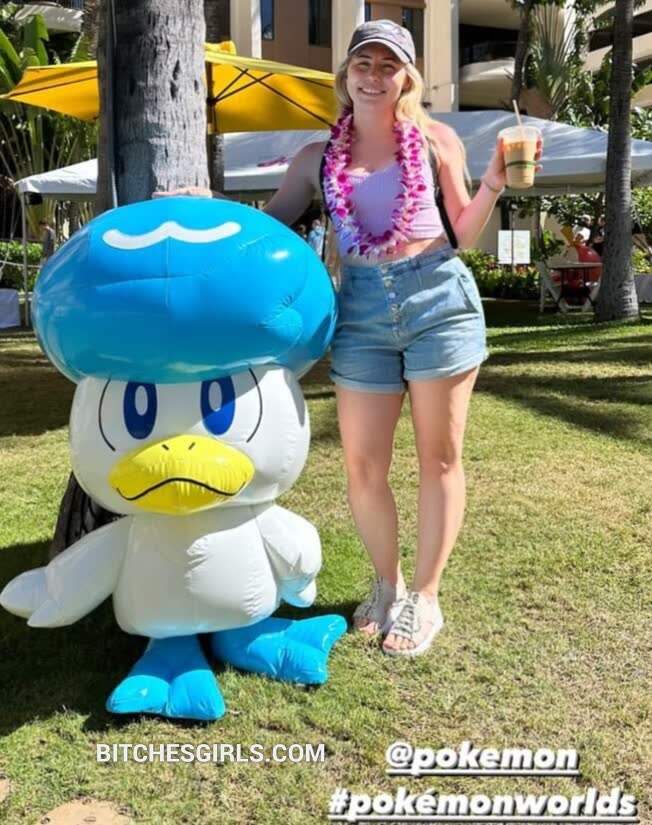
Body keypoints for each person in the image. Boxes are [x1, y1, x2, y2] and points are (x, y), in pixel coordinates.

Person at [154, 19, 543, 657]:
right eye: (364, 64)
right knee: (363, 465)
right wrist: (210, 206)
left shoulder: (436, 141)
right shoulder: (316, 158)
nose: (373, 76)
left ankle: (426, 597)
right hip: (360, 308)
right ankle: (388, 585)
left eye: (388, 66)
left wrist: (496, 181)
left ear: (407, 78)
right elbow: (269, 227)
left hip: (438, 299)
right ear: (346, 75)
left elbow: (463, 234)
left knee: (440, 459)